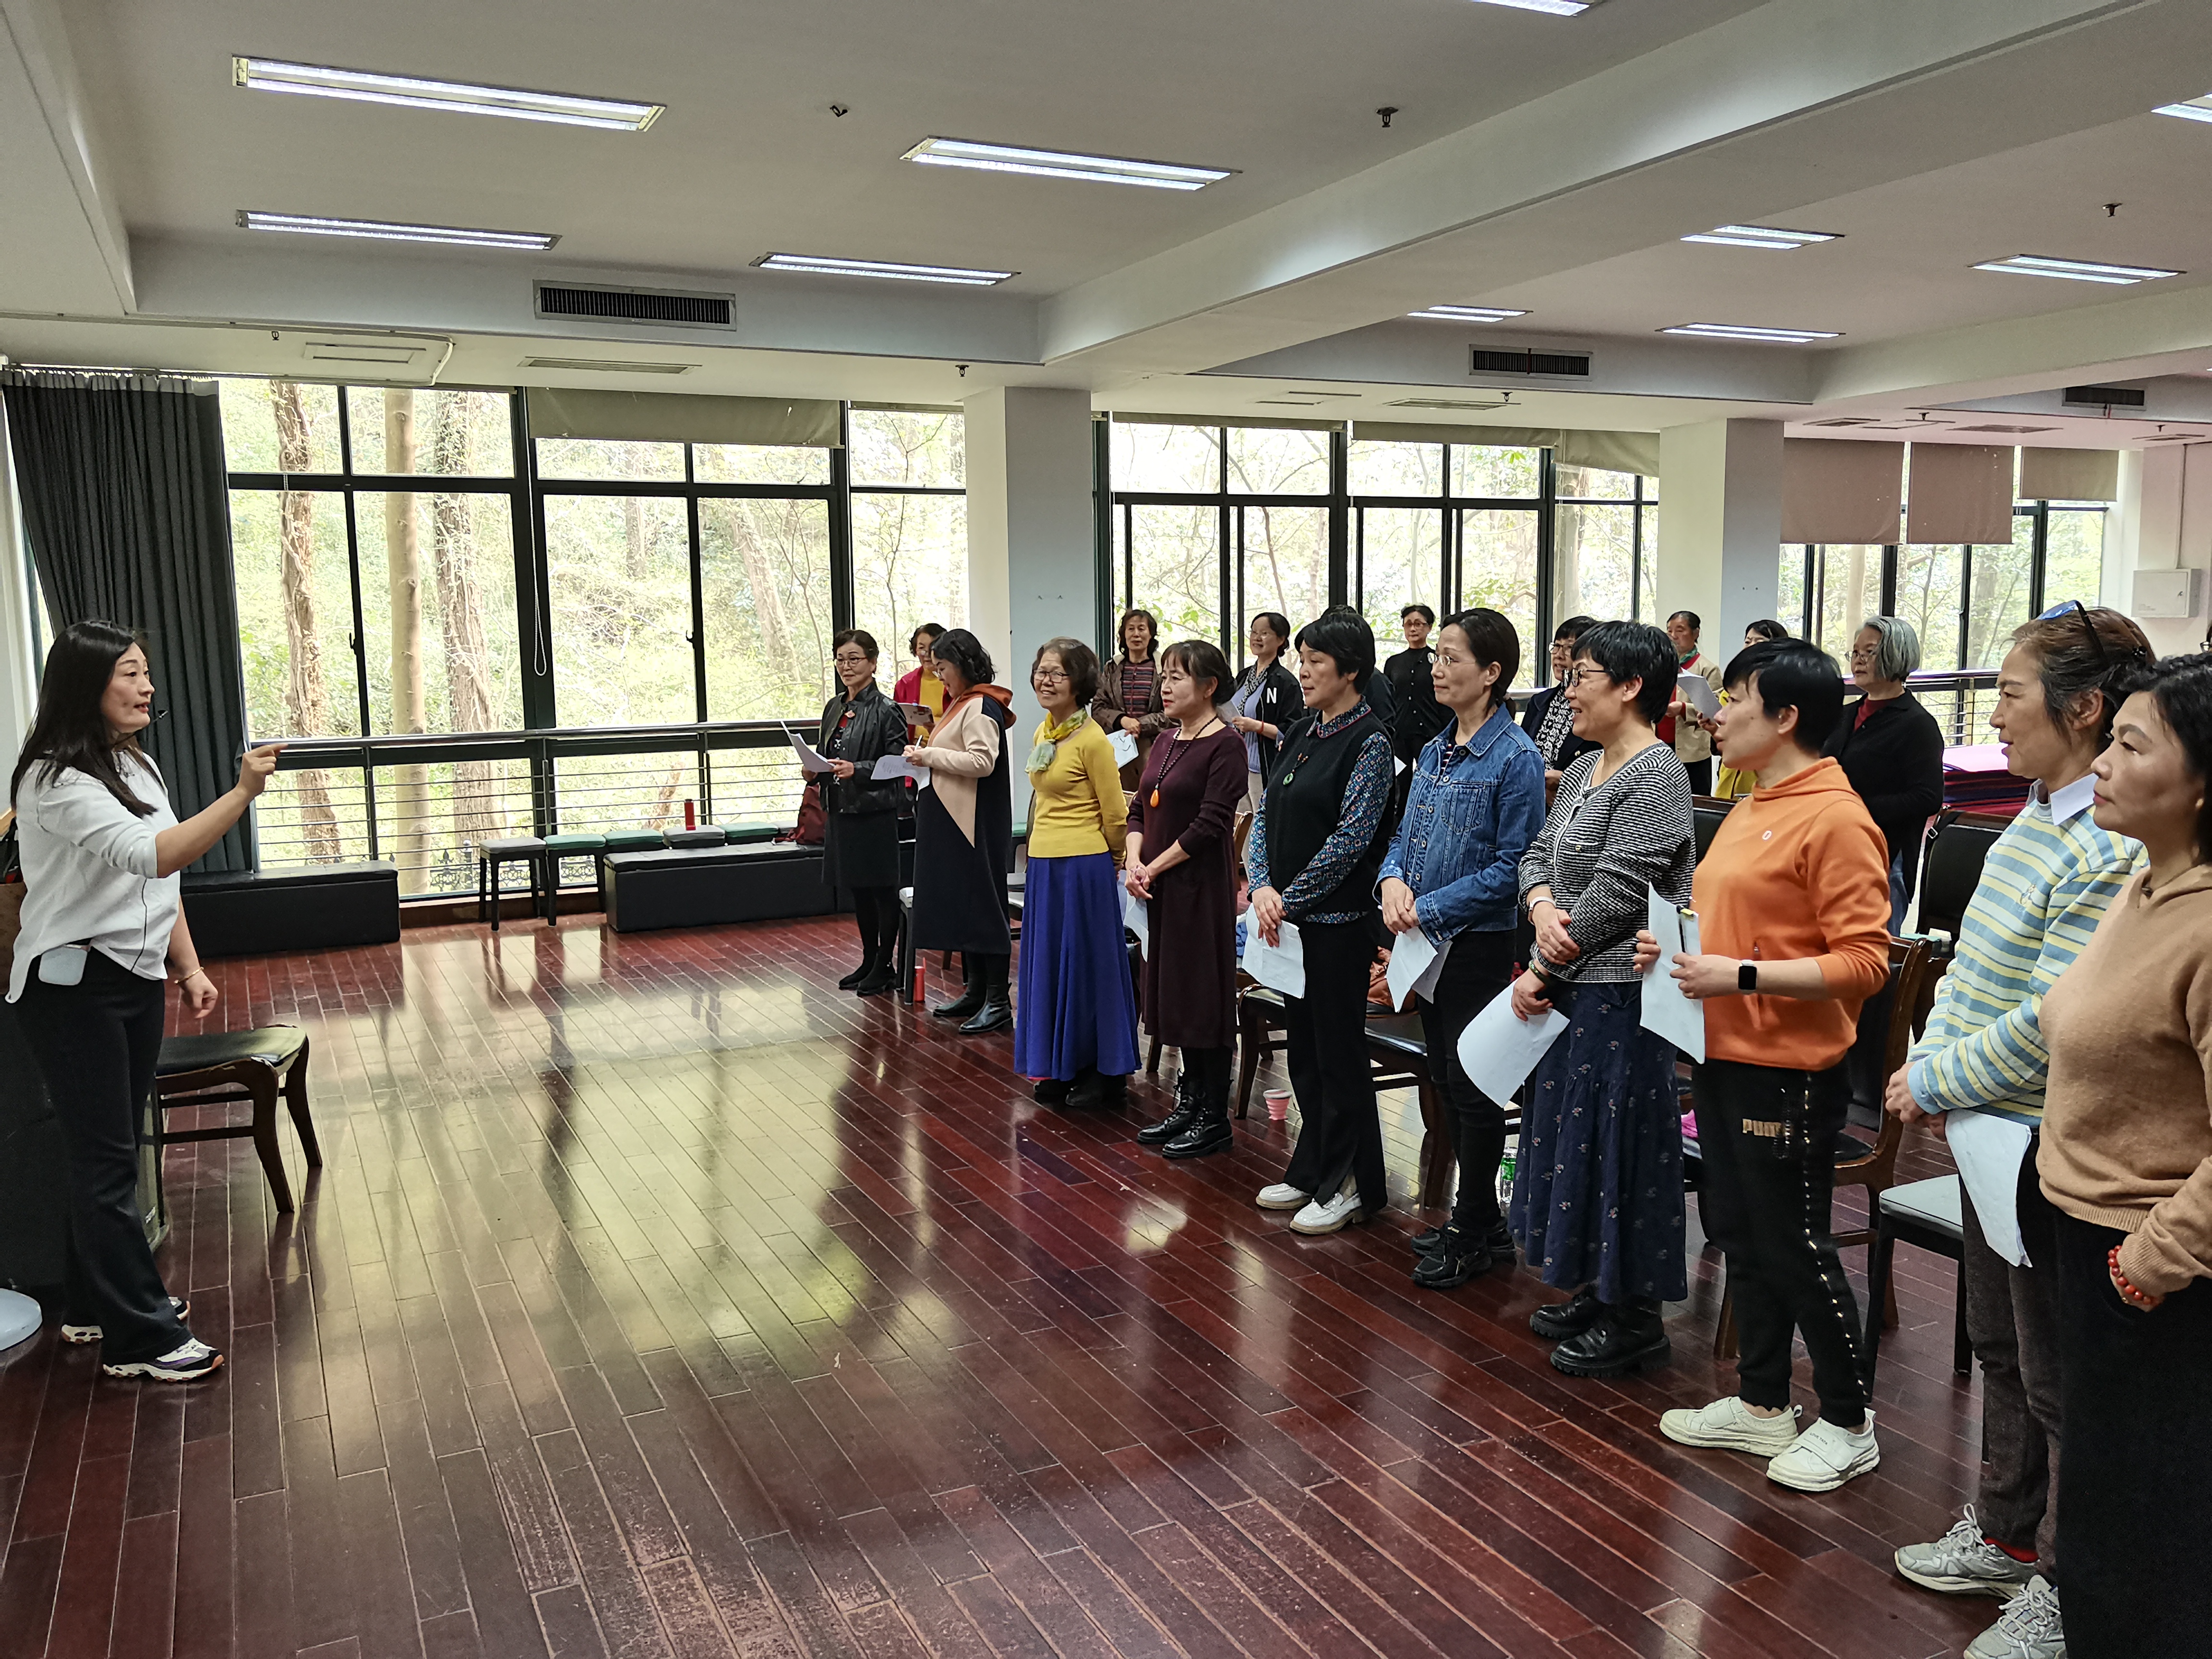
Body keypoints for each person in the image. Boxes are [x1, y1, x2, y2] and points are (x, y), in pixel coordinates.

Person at [1881, 604, 2151, 1659]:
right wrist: (1938, 1070)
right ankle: (2004, 1531)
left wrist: (1933, 1078)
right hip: (1984, 1128)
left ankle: (2072, 1589)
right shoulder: (2038, 815)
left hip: (2046, 1139)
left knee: (2057, 1376)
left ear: (2083, 709)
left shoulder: (2109, 841)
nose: (1991, 713)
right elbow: (1971, 974)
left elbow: (2051, 1022)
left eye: (2007, 691)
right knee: (1998, 1343)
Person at [7, 620, 286, 1382]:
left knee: (107, 1151)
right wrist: (243, 793)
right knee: (107, 1162)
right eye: (129, 673)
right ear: (85, 684)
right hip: (73, 989)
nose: (146, 687)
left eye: (145, 673)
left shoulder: (132, 762)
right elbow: (154, 854)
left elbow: (160, 882)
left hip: (129, 978)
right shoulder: (55, 780)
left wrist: (187, 966)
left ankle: (95, 1305)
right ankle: (142, 1339)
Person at [1647, 639, 1893, 1491]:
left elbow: (1864, 962)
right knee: (1740, 1233)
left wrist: (1739, 975)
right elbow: (1737, 924)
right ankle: (1761, 1405)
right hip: (1723, 1050)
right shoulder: (1753, 798)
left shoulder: (1836, 817)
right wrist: (1677, 950)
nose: (1715, 715)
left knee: (1794, 1243)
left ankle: (1849, 1419)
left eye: (1736, 700)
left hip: (1789, 1068)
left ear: (1786, 717)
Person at [2032, 652, 2212, 1659]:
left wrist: (2150, 1261)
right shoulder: (2145, 885)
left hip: (2152, 1273)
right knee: (2103, 1513)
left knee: (2150, 1533)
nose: (2099, 762)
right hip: (2085, 1236)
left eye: (2131, 745)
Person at [1512, 620, 1694, 1376]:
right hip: (1572, 982)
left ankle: (1636, 1316)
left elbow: (1621, 892)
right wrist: (1540, 908)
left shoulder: (1658, 773)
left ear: (1630, 687)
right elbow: (1535, 853)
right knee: (1574, 1137)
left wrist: (1545, 964)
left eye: (1581, 676)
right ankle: (1597, 1286)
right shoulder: (1588, 764)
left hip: (1623, 992)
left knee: (1620, 1144)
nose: (1568, 691)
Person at [1378, 608, 1547, 1288]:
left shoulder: (1516, 758)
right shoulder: (1434, 748)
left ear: (1492, 672)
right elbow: (1403, 835)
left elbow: (1515, 868)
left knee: (1475, 1086)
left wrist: (1429, 907)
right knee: (1445, 1078)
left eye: (1452, 658)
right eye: (1437, 657)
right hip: (1424, 940)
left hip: (1474, 942)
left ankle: (1474, 1229)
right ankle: (1483, 1226)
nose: (1438, 669)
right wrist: (1393, 880)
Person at [1248, 606, 1396, 1236]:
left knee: (1340, 1057)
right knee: (1306, 1055)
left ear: (1351, 670)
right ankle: (1313, 1169)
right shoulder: (1303, 731)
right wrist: (1261, 885)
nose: (1303, 672)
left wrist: (1288, 898)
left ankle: (1354, 1183)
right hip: (1290, 925)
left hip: (1337, 926)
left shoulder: (1371, 743)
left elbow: (1351, 841)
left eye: (1315, 662)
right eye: (1302, 661)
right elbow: (1265, 815)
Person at [1126, 640, 1247, 1157]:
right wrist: (1134, 861)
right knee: (1174, 993)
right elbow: (1139, 809)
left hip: (1199, 890)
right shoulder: (1166, 740)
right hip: (1158, 886)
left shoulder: (1227, 745)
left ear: (1209, 686)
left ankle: (1212, 1116)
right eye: (1165, 675)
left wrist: (1152, 866)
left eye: (1178, 676)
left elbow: (1210, 824)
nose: (1166, 685)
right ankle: (1188, 1102)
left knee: (1202, 998)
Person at [1017, 638, 1142, 1108]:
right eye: (1041, 671)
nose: (1045, 681)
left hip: (1085, 866)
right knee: (1050, 967)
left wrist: (1114, 862)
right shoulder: (1044, 732)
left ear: (1080, 683)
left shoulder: (1092, 740)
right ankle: (1058, 1064)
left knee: (1087, 968)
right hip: (1044, 865)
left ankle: (1101, 1071)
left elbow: (1115, 815)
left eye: (1058, 673)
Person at [903, 629, 1017, 1033]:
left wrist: (928, 756)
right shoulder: (962, 703)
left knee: (983, 908)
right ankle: (976, 990)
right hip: (953, 820)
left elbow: (982, 762)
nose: (939, 677)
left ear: (964, 665)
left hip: (974, 823)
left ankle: (998, 1001)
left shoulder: (983, 704)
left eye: (943, 668)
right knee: (966, 908)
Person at [1827, 615, 1946, 930]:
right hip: (1834, 849)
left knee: (1871, 949)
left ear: (1897, 656)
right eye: (1855, 652)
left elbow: (1928, 797)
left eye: (1869, 652)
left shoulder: (1917, 724)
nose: (1858, 660)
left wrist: (1858, 808)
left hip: (1884, 855)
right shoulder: (1845, 715)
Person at [817, 629, 910, 996]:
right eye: (841, 659)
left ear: (873, 663)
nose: (846, 666)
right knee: (858, 890)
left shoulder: (887, 710)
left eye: (854, 659)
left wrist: (858, 769)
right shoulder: (834, 707)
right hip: (841, 808)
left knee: (882, 891)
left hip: (874, 811)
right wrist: (814, 770)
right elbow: (827, 752)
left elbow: (898, 762)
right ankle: (869, 959)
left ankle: (886, 964)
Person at [1226, 611, 1301, 817]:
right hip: (1236, 763)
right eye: (1254, 632)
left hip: (1264, 768)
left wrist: (1256, 726)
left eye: (1264, 633)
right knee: (1238, 822)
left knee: (1260, 822)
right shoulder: (1243, 676)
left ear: (1281, 640)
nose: (1257, 638)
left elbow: (1293, 729)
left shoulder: (1285, 682)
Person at [1520, 614, 1600, 796]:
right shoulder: (1539, 702)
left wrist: (1567, 782)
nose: (1559, 655)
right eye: (1556, 646)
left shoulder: (1596, 707)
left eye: (1569, 648)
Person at [1383, 604, 1450, 812]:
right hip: (1399, 735)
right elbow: (1389, 699)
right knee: (1400, 784)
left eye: (1419, 624)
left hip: (1430, 734)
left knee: (1430, 782)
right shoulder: (1393, 663)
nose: (1413, 629)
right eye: (1409, 624)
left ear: (1429, 628)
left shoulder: (1437, 661)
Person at [1093, 608, 1166, 792]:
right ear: (1123, 635)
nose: (1136, 634)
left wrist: (1141, 724)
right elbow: (1098, 708)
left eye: (1142, 629)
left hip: (1154, 745)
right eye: (1131, 629)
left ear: (1151, 634)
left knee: (1152, 795)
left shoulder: (1163, 670)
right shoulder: (1112, 668)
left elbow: (1174, 714)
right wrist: (1122, 720)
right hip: (1117, 745)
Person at [1663, 610, 1726, 793]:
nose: (1673, 636)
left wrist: (1683, 709)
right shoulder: (1662, 665)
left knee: (1694, 799)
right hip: (1660, 744)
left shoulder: (1707, 668)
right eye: (1669, 631)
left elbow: (1715, 708)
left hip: (1692, 750)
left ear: (1696, 633)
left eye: (1680, 630)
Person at [892, 623, 947, 727]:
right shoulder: (904, 684)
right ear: (915, 650)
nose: (927, 654)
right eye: (922, 648)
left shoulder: (954, 682)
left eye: (933, 647)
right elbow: (897, 723)